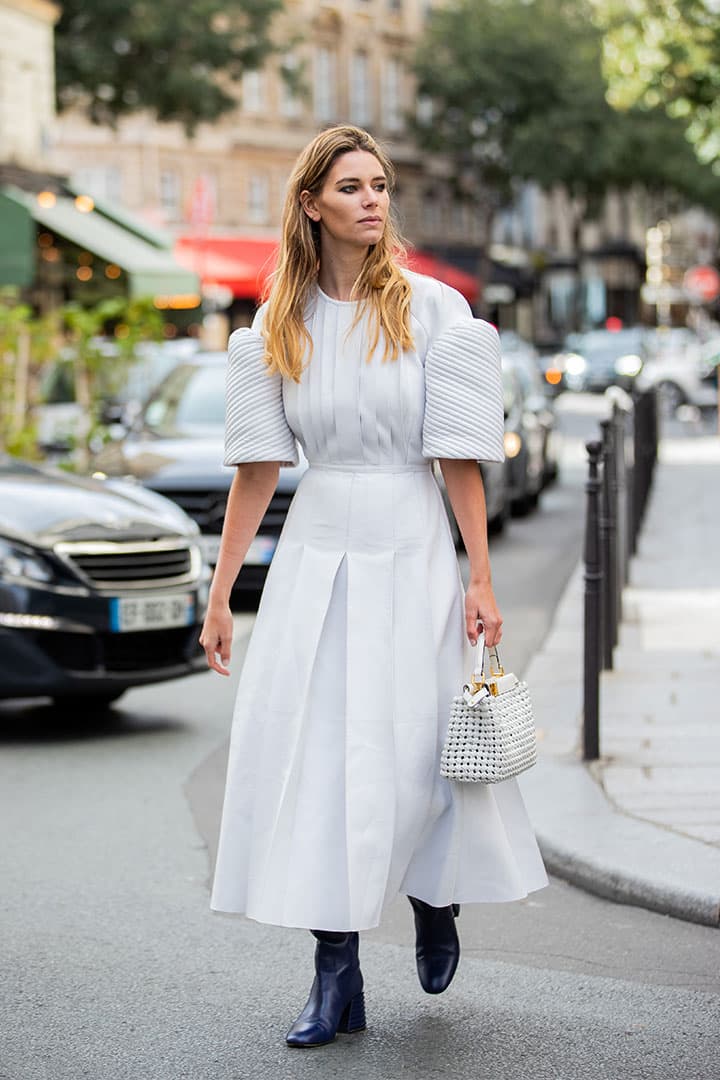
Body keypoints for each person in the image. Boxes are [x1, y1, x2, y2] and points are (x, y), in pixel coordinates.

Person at [200, 125, 547, 1049]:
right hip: (318, 555)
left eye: (381, 185)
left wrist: (480, 575)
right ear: (311, 203)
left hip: (414, 545)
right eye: (351, 186)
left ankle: (436, 895)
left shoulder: (436, 312)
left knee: (418, 749)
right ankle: (335, 967)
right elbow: (257, 470)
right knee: (320, 763)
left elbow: (459, 458)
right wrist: (221, 590)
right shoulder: (276, 322)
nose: (372, 199)